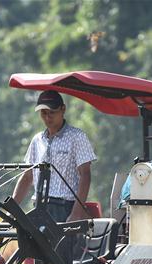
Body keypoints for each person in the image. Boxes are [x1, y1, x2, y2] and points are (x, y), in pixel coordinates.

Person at [13, 90, 97, 222]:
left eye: (52, 112)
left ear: (63, 109)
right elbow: (28, 177)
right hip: (39, 207)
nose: (47, 117)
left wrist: (76, 213)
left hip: (65, 207)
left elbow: (85, 175)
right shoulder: (37, 140)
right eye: (44, 113)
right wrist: (12, 210)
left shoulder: (77, 137)